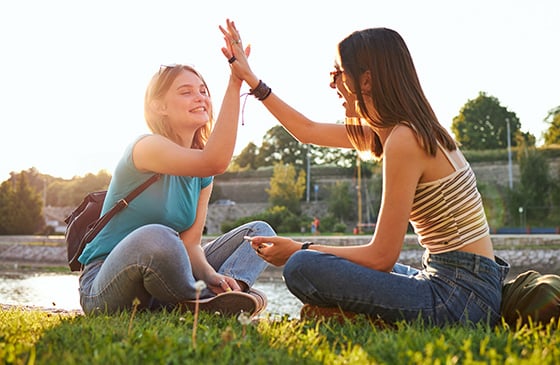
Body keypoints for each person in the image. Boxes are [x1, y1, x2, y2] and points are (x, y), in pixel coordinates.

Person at [220, 19, 510, 326]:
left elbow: (381, 257)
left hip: (460, 299)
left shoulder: (404, 139)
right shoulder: (397, 130)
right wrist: (251, 79)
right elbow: (307, 130)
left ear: (367, 80)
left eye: (338, 74)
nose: (333, 85)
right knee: (315, 261)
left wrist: (298, 248)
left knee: (302, 265)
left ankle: (363, 319)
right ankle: (363, 318)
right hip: (459, 283)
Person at [78, 61, 275, 316]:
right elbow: (215, 161)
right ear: (159, 107)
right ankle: (198, 298)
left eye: (203, 91)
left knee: (260, 233)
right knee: (158, 236)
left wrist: (212, 275)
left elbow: (191, 246)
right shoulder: (146, 147)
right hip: (104, 286)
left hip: (168, 280)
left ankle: (225, 292)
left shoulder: (202, 174)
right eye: (186, 92)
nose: (200, 97)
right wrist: (235, 82)